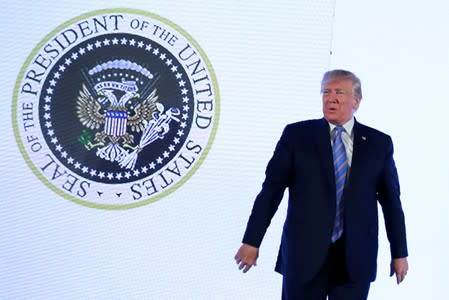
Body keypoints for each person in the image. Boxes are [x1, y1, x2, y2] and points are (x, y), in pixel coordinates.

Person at [234, 69, 408, 299]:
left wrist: (399, 253)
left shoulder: (378, 143)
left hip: (354, 261)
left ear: (356, 101)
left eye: (339, 92)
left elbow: (391, 203)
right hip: (303, 256)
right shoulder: (297, 136)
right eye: (326, 91)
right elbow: (270, 192)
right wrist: (251, 241)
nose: (331, 97)